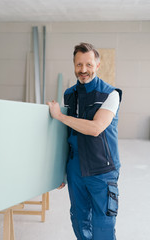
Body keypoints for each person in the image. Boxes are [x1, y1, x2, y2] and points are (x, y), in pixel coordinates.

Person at [48, 42, 122, 240]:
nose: (83, 70)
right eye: (79, 65)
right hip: (76, 168)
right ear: (74, 65)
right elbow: (64, 136)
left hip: (101, 169)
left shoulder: (110, 94)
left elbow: (96, 128)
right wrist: (59, 171)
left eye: (88, 65)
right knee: (79, 220)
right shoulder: (69, 95)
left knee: (103, 224)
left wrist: (60, 116)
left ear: (97, 65)